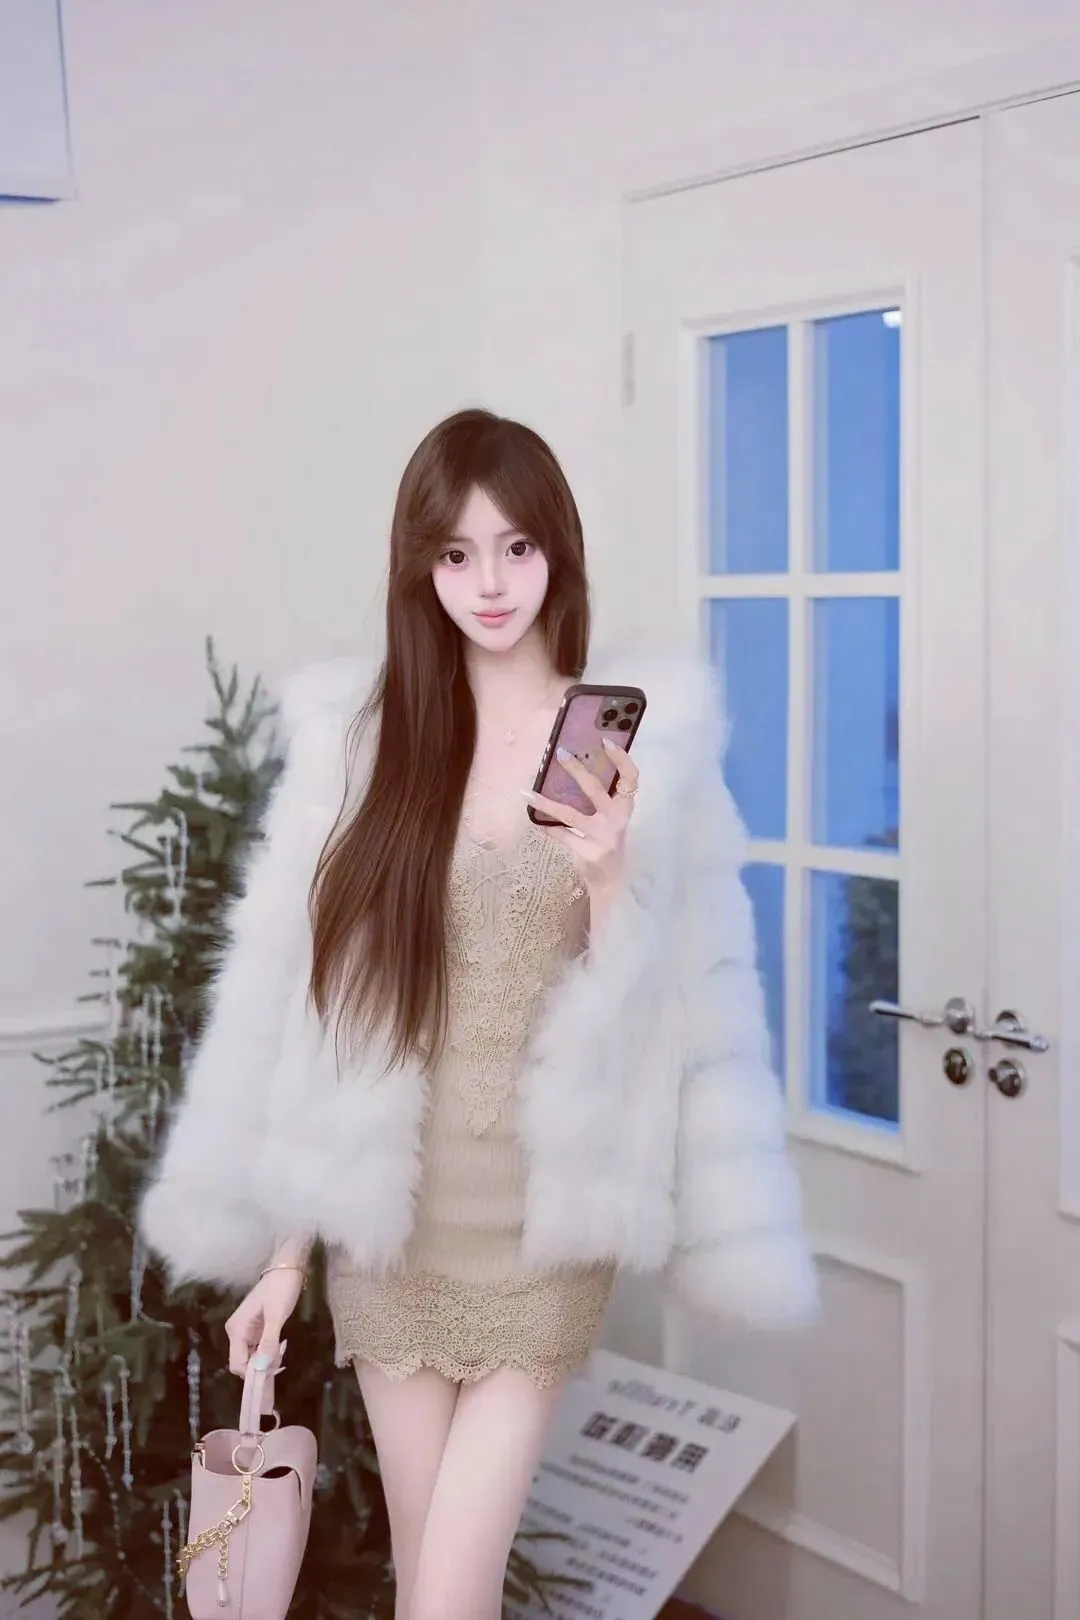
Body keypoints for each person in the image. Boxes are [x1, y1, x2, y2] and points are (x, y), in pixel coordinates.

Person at [140, 408, 816, 1620]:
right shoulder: (368, 748)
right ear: (421, 569)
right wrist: (287, 1260)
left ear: (558, 551)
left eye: (516, 548)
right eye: (455, 554)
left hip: (539, 1240)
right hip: (391, 1241)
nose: (490, 585)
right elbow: (322, 1017)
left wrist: (607, 882)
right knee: (433, 1583)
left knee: (444, 1597)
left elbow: (670, 1017)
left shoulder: (634, 750)